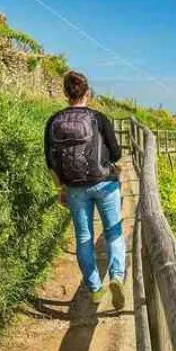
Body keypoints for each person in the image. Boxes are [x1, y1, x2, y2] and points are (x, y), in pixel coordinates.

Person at [44, 71, 126, 308]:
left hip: (74, 188)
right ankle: (117, 277)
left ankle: (94, 288)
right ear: (87, 93)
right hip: (105, 183)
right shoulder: (98, 118)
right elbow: (117, 153)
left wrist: (61, 187)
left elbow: (50, 161)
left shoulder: (54, 121)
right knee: (114, 232)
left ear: (65, 94)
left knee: (83, 237)